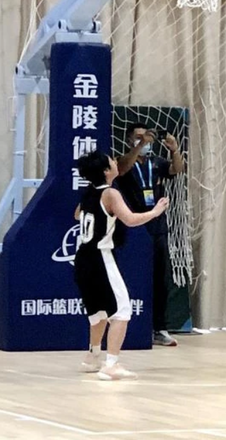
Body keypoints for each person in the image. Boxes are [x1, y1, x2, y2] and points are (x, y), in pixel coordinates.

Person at [75, 150, 169, 381]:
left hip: (82, 258)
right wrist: (155, 211)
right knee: (122, 310)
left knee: (98, 313)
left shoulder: (89, 193)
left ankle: (92, 357)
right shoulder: (110, 193)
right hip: (100, 256)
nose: (116, 162)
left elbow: (78, 215)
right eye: (112, 161)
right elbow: (130, 219)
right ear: (106, 170)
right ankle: (111, 364)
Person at [117, 123, 185, 347]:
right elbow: (122, 169)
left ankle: (160, 328)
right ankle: (131, 326)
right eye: (138, 137)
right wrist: (140, 146)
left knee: (161, 277)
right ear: (129, 140)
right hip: (132, 226)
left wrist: (174, 150)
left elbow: (176, 169)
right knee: (131, 276)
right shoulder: (123, 160)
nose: (144, 141)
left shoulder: (155, 162)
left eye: (146, 137)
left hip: (157, 226)